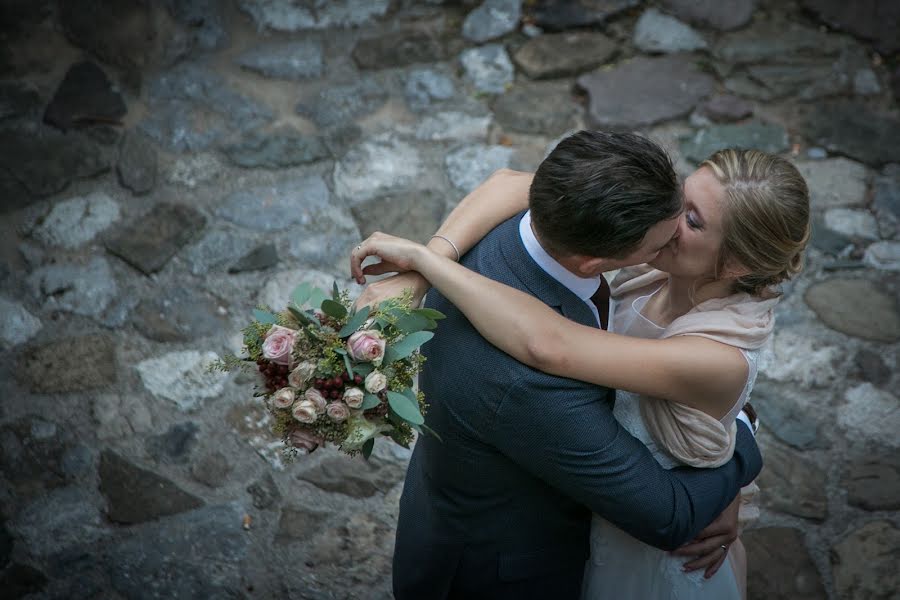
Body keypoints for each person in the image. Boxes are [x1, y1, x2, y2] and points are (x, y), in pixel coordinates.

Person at [350, 132, 781, 599]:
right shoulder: (529, 384)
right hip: (505, 569)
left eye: (687, 214)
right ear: (594, 262)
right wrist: (742, 445)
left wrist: (424, 264)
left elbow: (509, 182)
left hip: (461, 501)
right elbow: (669, 516)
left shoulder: (532, 222)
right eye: (668, 230)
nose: (671, 223)